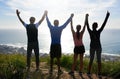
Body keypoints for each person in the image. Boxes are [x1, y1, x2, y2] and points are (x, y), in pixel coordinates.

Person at [45, 11, 74, 75]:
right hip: (58, 45)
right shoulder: (60, 28)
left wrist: (46, 15)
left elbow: (48, 22)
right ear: (58, 23)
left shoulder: (51, 27)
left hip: (52, 45)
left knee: (52, 58)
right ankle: (58, 70)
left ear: (54, 23)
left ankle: (51, 70)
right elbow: (66, 23)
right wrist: (71, 17)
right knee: (58, 58)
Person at [86, 11, 110, 76]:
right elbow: (104, 24)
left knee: (91, 60)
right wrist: (107, 16)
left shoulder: (90, 31)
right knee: (98, 60)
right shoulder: (98, 31)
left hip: (93, 47)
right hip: (98, 47)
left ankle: (89, 72)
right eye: (96, 25)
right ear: (96, 26)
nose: (95, 26)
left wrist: (86, 17)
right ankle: (99, 73)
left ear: (93, 26)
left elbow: (87, 24)